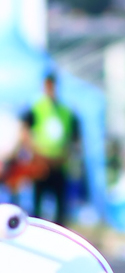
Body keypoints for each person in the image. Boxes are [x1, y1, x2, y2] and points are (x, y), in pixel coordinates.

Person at [23, 73, 81, 225]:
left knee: (60, 210)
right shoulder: (36, 108)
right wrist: (35, 152)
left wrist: (66, 154)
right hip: (40, 165)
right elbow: (25, 132)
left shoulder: (65, 111)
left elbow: (75, 138)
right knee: (37, 208)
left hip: (59, 165)